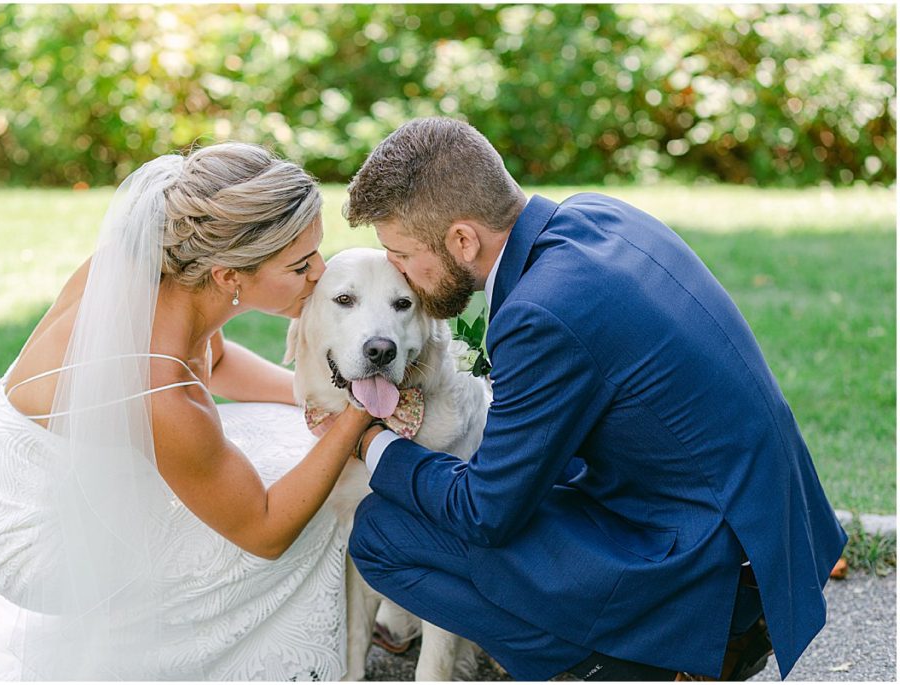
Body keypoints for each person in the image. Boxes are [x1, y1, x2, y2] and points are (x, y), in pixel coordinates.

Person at [344, 118, 847, 681]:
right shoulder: (597, 215)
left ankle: (625, 666)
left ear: (462, 239)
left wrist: (373, 443)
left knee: (383, 530)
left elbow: (486, 515)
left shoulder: (540, 312)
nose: (402, 274)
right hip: (761, 532)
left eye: (403, 254)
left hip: (705, 568)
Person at [0, 143, 372, 680]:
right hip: (38, 545)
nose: (320, 273)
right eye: (299, 265)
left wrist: (315, 398)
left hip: (53, 475)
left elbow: (218, 359)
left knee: (292, 433)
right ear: (230, 277)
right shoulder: (161, 391)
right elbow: (266, 531)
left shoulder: (167, 267)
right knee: (323, 497)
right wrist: (358, 418)